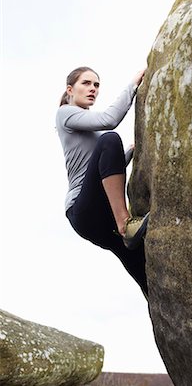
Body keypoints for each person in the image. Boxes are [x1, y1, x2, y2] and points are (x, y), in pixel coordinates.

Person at [56, 66, 149, 296]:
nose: (93, 89)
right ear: (70, 89)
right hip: (83, 209)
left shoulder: (87, 127)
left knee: (144, 268)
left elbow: (100, 169)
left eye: (96, 85)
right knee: (110, 139)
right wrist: (133, 84)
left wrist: (127, 154)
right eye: (86, 83)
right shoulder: (65, 113)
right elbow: (109, 121)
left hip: (101, 215)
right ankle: (125, 223)